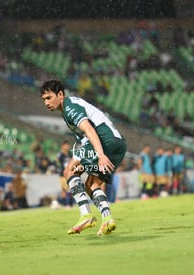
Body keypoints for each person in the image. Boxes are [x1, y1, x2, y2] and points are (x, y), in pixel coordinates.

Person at [40, 80, 126, 236]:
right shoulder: (70, 107)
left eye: (49, 97)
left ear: (60, 94)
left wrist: (100, 155)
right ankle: (107, 219)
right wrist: (87, 162)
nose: (46, 102)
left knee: (69, 171)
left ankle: (85, 215)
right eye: (44, 99)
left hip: (104, 140)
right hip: (118, 143)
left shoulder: (69, 107)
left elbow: (88, 129)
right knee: (92, 183)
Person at [57, 140, 74, 207]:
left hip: (69, 173)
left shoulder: (70, 154)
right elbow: (58, 162)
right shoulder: (60, 155)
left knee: (69, 188)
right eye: (66, 145)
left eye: (68, 145)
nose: (67, 147)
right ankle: (66, 203)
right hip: (62, 174)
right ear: (62, 146)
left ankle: (69, 203)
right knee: (65, 189)